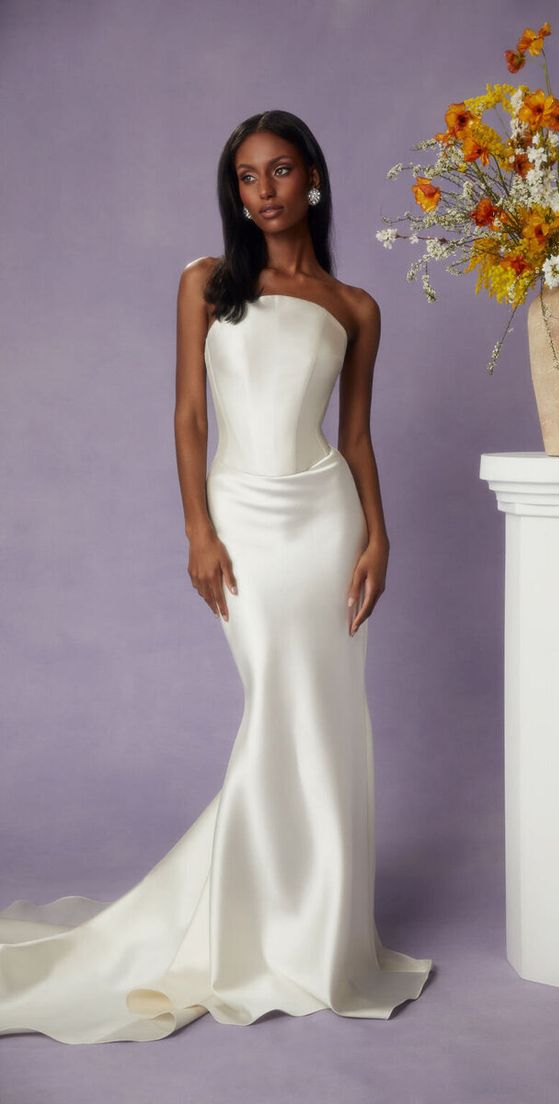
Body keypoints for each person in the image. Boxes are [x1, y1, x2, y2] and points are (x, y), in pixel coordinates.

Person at [0, 109, 433, 1044]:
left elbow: (355, 436)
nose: (263, 190)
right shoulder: (208, 282)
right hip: (242, 518)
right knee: (277, 702)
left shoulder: (357, 306)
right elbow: (189, 416)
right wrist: (198, 526)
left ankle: (319, 936)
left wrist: (379, 539)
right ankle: (254, 926)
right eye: (246, 176)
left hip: (327, 523)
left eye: (280, 171)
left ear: (313, 176)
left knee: (323, 717)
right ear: (234, 190)